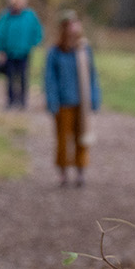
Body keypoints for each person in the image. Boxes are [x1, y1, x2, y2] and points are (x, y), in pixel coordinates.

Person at [44, 10, 101, 188]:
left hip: (81, 103)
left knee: (82, 138)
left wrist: (94, 96)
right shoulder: (55, 52)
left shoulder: (84, 50)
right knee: (62, 140)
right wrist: (52, 100)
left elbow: (91, 76)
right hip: (63, 103)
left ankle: (80, 170)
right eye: (69, 24)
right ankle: (63, 172)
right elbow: (49, 79)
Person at [0, 0, 44, 110]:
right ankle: (11, 101)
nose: (16, 4)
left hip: (24, 52)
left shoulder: (30, 15)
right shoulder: (6, 16)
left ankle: (22, 101)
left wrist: (34, 43)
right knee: (10, 77)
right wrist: (0, 50)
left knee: (23, 77)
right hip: (9, 53)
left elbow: (37, 31)